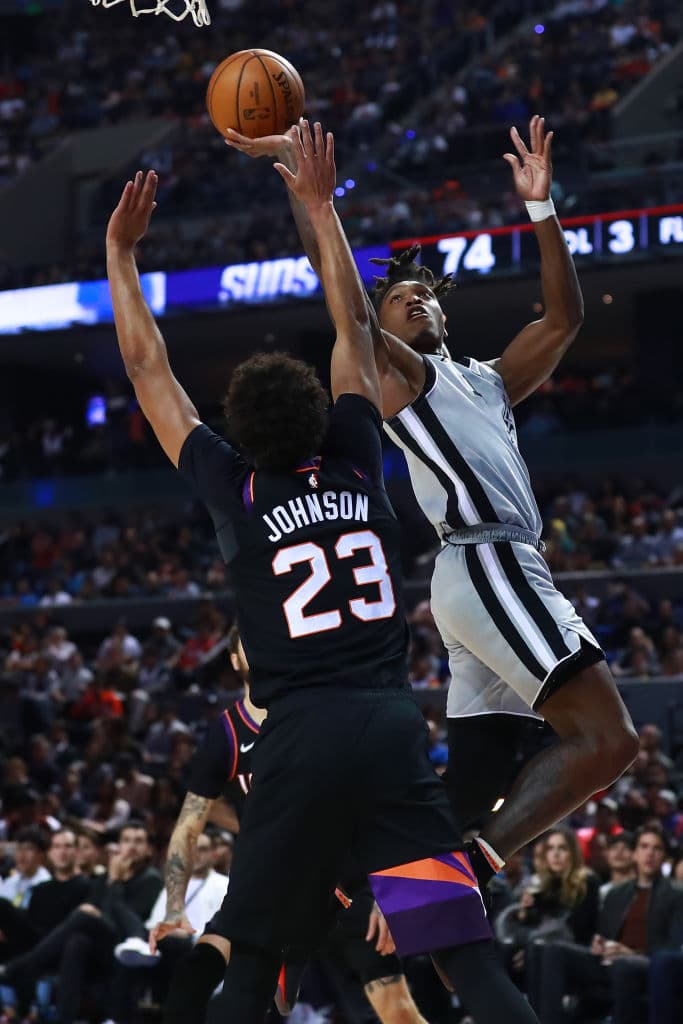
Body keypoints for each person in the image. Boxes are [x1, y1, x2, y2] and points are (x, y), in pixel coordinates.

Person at [105, 126, 539, 1024]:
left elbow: (149, 370)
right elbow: (351, 326)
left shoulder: (234, 486)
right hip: (387, 734)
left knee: (251, 963)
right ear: (317, 411)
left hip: (296, 743)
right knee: (463, 956)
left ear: (241, 428)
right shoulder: (354, 453)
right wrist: (317, 204)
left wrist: (121, 254)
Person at [225, 113, 638, 881]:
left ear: (445, 312)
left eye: (424, 295)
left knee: (471, 786)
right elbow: (345, 304)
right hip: (485, 562)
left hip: (496, 573)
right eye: (398, 299)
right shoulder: (405, 378)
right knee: (609, 740)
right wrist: (313, 200)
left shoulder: (488, 380)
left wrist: (541, 208)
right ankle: (466, 872)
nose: (413, 301)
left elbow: (564, 317)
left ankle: (361, 902)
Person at [150, 624, 431, 1024]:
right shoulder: (227, 734)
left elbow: (374, 803)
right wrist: (174, 906)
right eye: (251, 643)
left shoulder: (320, 714)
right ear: (234, 659)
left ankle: (293, 957)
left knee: (396, 1010)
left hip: (341, 879)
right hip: (266, 885)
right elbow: (189, 824)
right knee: (194, 980)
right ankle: (288, 957)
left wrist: (387, 886)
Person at [0, 822, 162, 1024]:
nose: (131, 847)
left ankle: (20, 967)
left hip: (128, 946)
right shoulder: (105, 877)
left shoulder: (151, 879)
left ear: (148, 850)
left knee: (83, 917)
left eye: (138, 841)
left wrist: (115, 882)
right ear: (119, 845)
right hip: (99, 944)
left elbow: (127, 919)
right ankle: (65, 1018)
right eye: (126, 840)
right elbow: (92, 906)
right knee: (77, 941)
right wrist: (108, 887)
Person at [532, 826, 683, 1024]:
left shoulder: (675, 895)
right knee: (553, 950)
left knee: (623, 966)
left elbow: (672, 946)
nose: (649, 853)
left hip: (645, 962)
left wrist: (631, 952)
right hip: (609, 959)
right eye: (644, 847)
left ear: (664, 856)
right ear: (635, 853)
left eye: (657, 848)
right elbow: (601, 933)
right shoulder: (617, 893)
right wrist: (599, 944)